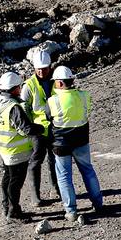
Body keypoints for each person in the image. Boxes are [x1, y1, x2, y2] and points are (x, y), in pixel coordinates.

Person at [46, 65, 103, 222]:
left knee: (64, 177)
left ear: (60, 83)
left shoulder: (53, 101)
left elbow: (47, 117)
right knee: (88, 171)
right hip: (81, 141)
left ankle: (71, 211)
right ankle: (98, 203)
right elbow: (86, 111)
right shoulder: (84, 96)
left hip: (61, 145)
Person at [0, 71, 38, 223]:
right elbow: (25, 129)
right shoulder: (13, 107)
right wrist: (40, 128)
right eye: (19, 87)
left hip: (5, 150)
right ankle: (14, 212)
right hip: (17, 152)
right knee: (15, 182)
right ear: (14, 88)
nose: (20, 89)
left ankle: (7, 207)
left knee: (8, 179)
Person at [21, 46, 62, 208]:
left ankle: (56, 188)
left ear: (49, 67)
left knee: (54, 160)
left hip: (54, 127)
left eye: (44, 69)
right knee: (35, 162)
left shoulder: (56, 80)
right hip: (38, 131)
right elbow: (24, 108)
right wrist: (30, 129)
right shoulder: (29, 85)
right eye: (38, 69)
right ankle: (35, 196)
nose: (41, 72)